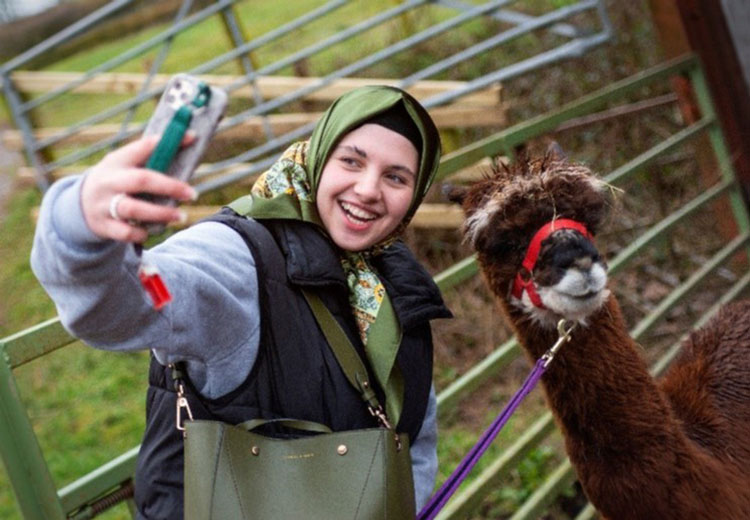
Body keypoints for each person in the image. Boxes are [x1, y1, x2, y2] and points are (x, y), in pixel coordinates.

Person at [31, 85, 452, 519]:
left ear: (415, 194)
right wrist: (77, 225)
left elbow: (413, 434)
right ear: (318, 155)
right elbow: (119, 309)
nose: (367, 189)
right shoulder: (238, 258)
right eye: (351, 161)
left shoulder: (388, 281)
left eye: (396, 177)